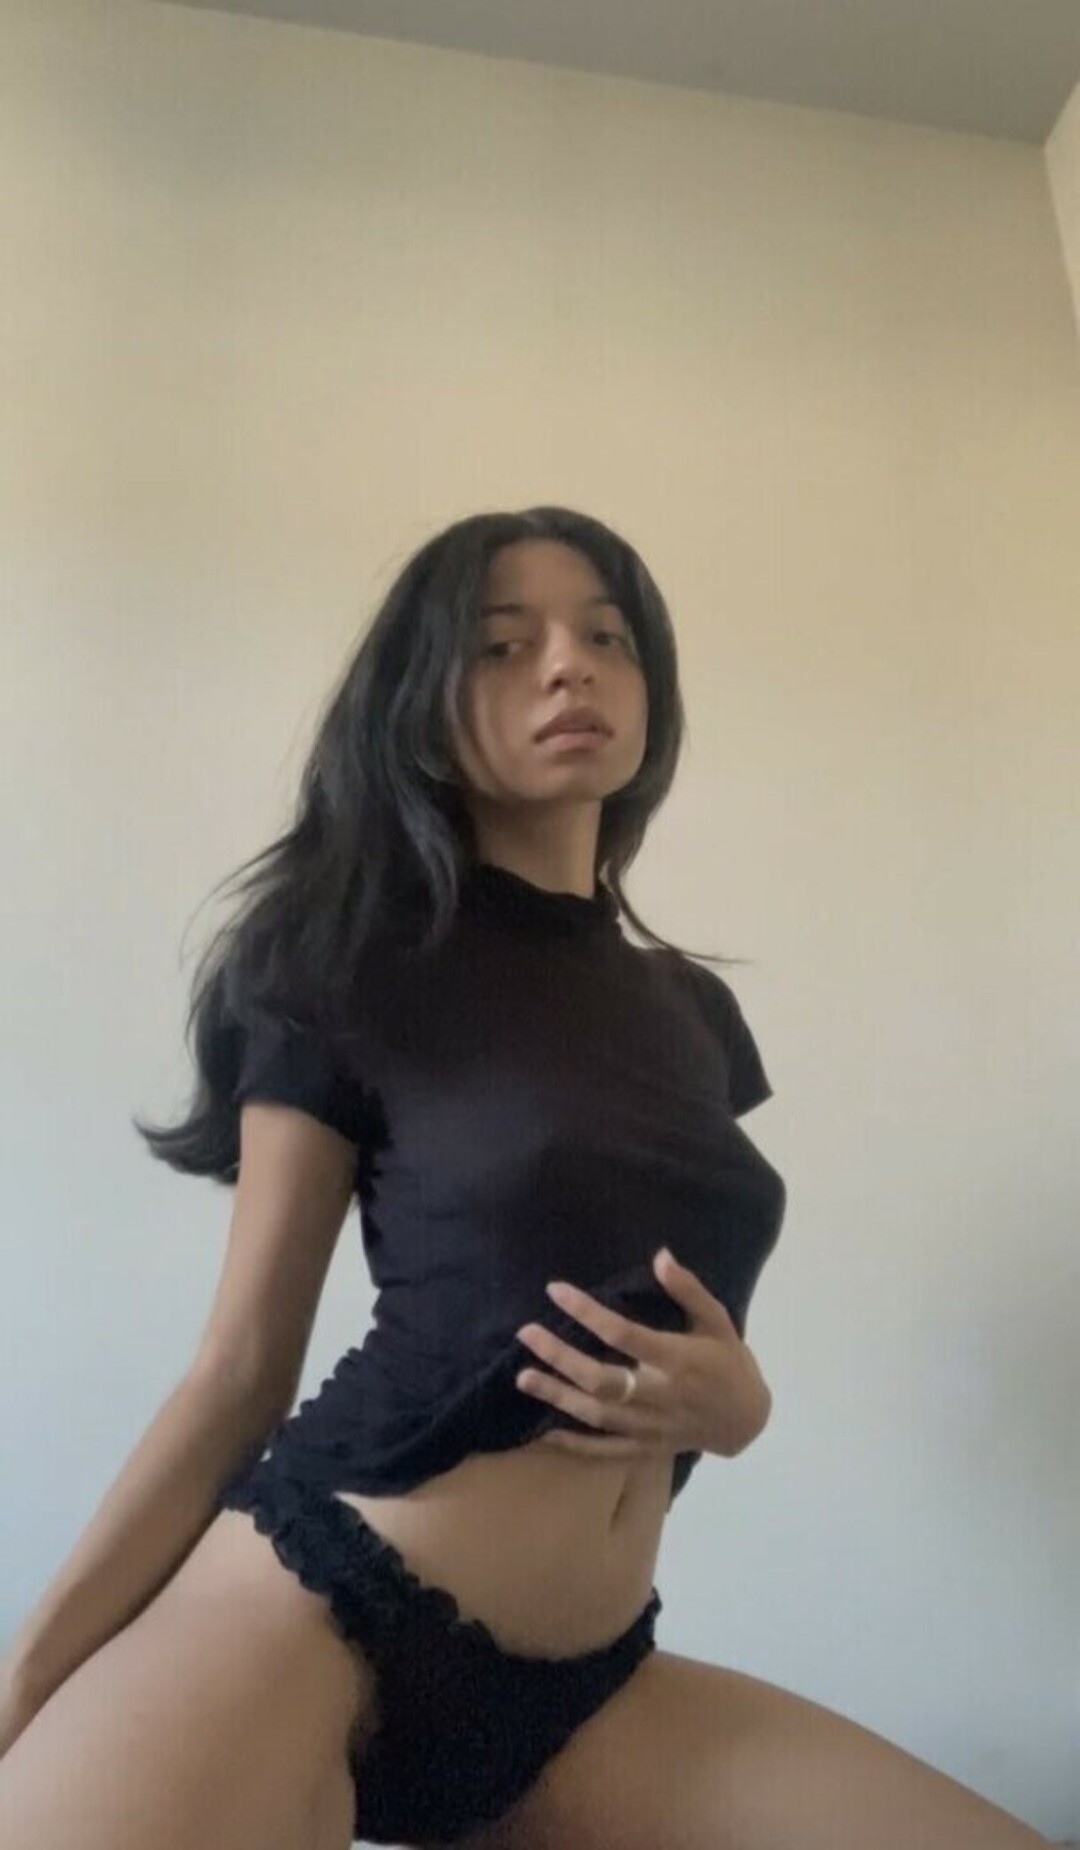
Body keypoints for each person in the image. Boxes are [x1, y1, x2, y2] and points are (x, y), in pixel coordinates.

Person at [0, 507, 1049, 1849]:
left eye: (607, 636)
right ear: (424, 707)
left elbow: (648, 1304)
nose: (569, 665)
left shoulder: (690, 1012)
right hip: (319, 1605)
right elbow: (238, 1368)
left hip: (584, 1689)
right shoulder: (341, 962)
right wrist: (27, 1680)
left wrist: (741, 1408)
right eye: (505, 645)